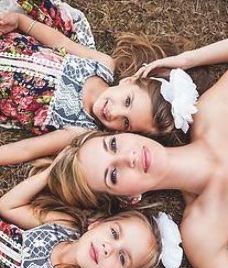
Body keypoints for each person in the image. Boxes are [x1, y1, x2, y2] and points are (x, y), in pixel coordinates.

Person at [33, 63, 228, 268]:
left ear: (125, 132)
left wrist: (186, 59)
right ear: (129, 197)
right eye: (113, 175)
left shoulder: (213, 114)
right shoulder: (202, 232)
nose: (128, 158)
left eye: (113, 145)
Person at [0, 152, 183, 268]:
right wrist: (51, 171)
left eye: (122, 258)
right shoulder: (64, 226)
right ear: (96, 224)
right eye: (114, 233)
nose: (108, 248)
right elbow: (8, 206)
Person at [0, 5, 206, 165]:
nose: (114, 112)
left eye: (125, 122)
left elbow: (27, 149)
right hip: (8, 42)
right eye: (127, 101)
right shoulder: (102, 64)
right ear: (129, 81)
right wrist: (22, 22)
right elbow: (60, 42)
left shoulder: (79, 130)